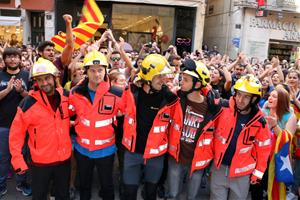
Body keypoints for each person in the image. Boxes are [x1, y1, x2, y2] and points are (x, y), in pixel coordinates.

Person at [9, 58, 72, 200]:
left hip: (64, 160)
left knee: (63, 195)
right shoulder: (28, 103)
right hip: (40, 163)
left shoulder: (66, 96)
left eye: (47, 78)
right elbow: (16, 135)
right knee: (39, 196)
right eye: (40, 79)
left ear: (54, 77)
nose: (44, 83)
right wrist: (18, 161)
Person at [68, 50, 125, 200]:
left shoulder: (117, 93)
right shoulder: (76, 93)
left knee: (107, 187)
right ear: (86, 72)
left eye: (100, 70)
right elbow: (66, 114)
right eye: (92, 70)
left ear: (106, 70)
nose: (97, 74)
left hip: (106, 151)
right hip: (82, 150)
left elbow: (129, 114)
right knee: (84, 187)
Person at [122, 54, 178, 200]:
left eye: (164, 76)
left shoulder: (170, 99)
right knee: (128, 194)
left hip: (155, 157)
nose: (163, 79)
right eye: (159, 76)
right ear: (148, 77)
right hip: (132, 153)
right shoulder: (131, 93)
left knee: (150, 194)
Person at [166, 59, 222, 200]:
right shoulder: (176, 98)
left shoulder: (210, 107)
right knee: (173, 194)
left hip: (197, 160)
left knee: (192, 196)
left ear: (197, 84)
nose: (181, 82)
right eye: (182, 78)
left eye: (186, 79)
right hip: (176, 157)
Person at [210, 74, 272, 200]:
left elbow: (263, 150)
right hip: (219, 169)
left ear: (254, 99)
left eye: (246, 97)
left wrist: (257, 174)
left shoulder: (260, 122)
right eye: (238, 94)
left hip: (241, 174)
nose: (240, 100)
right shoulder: (223, 108)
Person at [0, 47, 31, 198]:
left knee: (22, 156)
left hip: (23, 125)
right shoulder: (0, 74)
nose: (12, 59)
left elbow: (31, 98)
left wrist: (21, 91)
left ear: (20, 59)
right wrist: (7, 90)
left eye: (15, 57)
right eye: (9, 57)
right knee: (3, 158)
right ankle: (1, 185)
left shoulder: (26, 75)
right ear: (4, 59)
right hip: (3, 125)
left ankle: (21, 182)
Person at [263, 85, 297, 200]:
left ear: (282, 100)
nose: (270, 98)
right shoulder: (264, 111)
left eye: (274, 96)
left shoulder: (290, 116)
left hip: (277, 159)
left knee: (274, 188)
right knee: (258, 187)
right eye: (270, 96)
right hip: (262, 155)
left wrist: (274, 125)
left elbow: (287, 138)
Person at [37, 14, 74, 86]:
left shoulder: (58, 63)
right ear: (40, 52)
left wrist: (68, 24)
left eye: (52, 50)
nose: (51, 52)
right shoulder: (36, 66)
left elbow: (69, 46)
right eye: (48, 50)